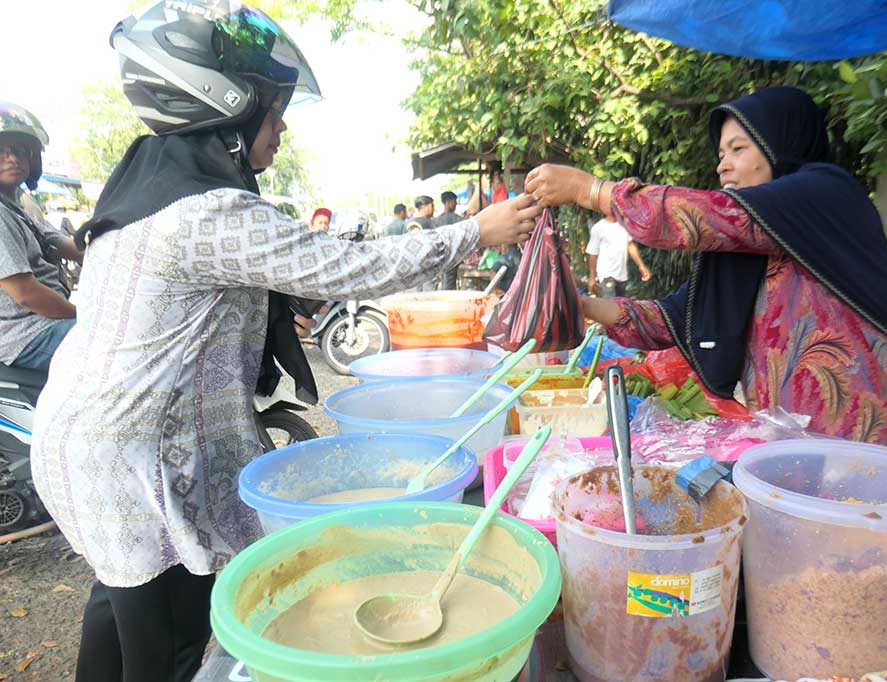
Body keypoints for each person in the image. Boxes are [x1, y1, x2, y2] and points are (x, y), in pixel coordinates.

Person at [29, 4, 539, 682]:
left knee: (121, 603)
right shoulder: (208, 212)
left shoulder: (148, 193)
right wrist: (475, 231)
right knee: (173, 642)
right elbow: (350, 266)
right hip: (135, 460)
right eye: (272, 111)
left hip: (88, 444)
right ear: (230, 120)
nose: (282, 125)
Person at [526, 86, 887, 462]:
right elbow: (676, 319)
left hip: (883, 435)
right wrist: (582, 306)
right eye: (721, 154)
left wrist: (590, 191)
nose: (723, 166)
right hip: (803, 442)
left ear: (780, 145)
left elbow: (696, 216)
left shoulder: (825, 193)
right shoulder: (747, 245)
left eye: (738, 149)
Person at [0, 101, 82, 372]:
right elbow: (26, 294)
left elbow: (63, 244)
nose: (12, 158)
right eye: (2, 150)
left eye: (21, 151)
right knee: (122, 345)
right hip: (27, 333)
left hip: (44, 324)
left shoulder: (19, 209)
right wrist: (84, 316)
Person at [586, 211, 652, 298]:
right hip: (606, 274)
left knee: (620, 305)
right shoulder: (598, 228)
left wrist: (641, 266)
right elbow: (593, 253)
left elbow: (630, 245)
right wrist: (592, 277)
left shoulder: (625, 226)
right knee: (611, 304)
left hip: (622, 275)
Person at [434, 191, 462, 289]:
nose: (456, 204)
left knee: (443, 281)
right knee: (450, 283)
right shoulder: (459, 220)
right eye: (454, 202)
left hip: (440, 256)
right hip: (454, 256)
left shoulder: (436, 221)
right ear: (448, 202)